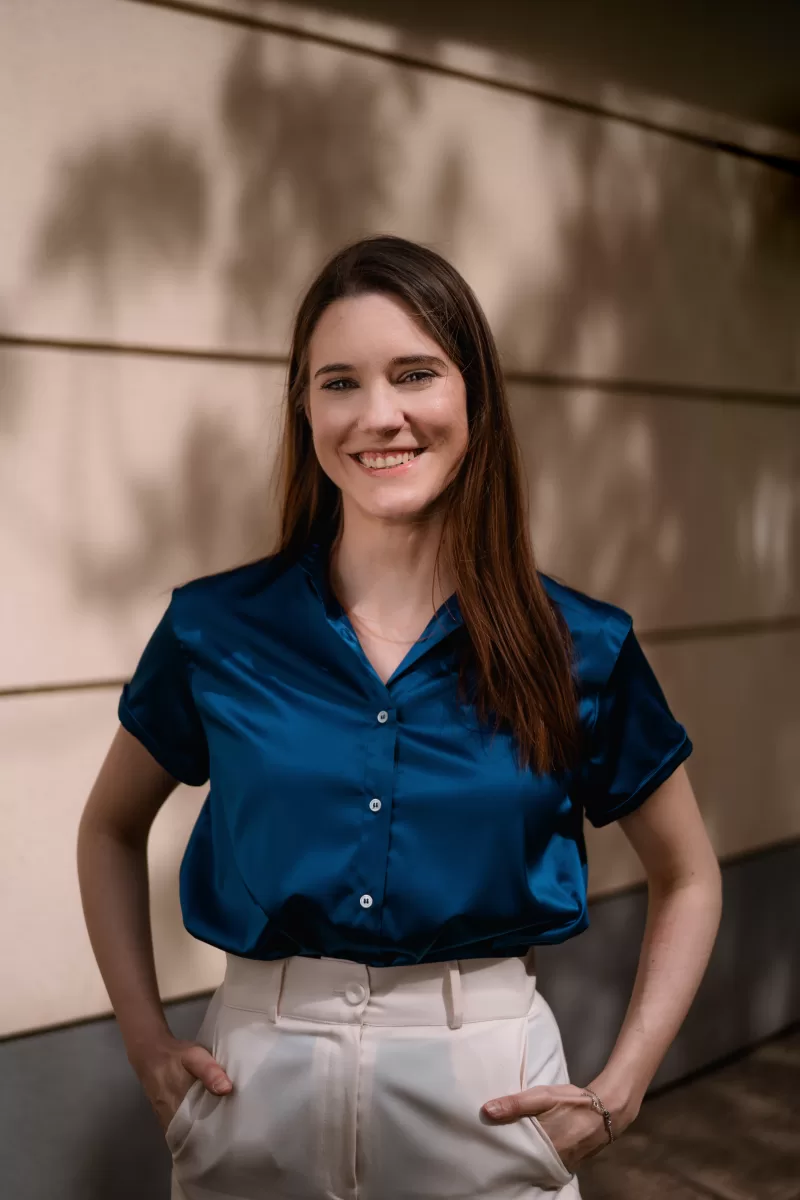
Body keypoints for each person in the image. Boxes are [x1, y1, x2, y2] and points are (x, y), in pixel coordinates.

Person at [77, 234, 722, 1199]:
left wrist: (619, 1091)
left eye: (415, 372)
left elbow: (689, 876)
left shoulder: (580, 646)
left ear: (474, 398)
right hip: (257, 1085)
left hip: (487, 1096)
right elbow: (109, 828)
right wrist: (143, 1041)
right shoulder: (216, 629)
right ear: (305, 408)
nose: (380, 416)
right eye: (340, 383)